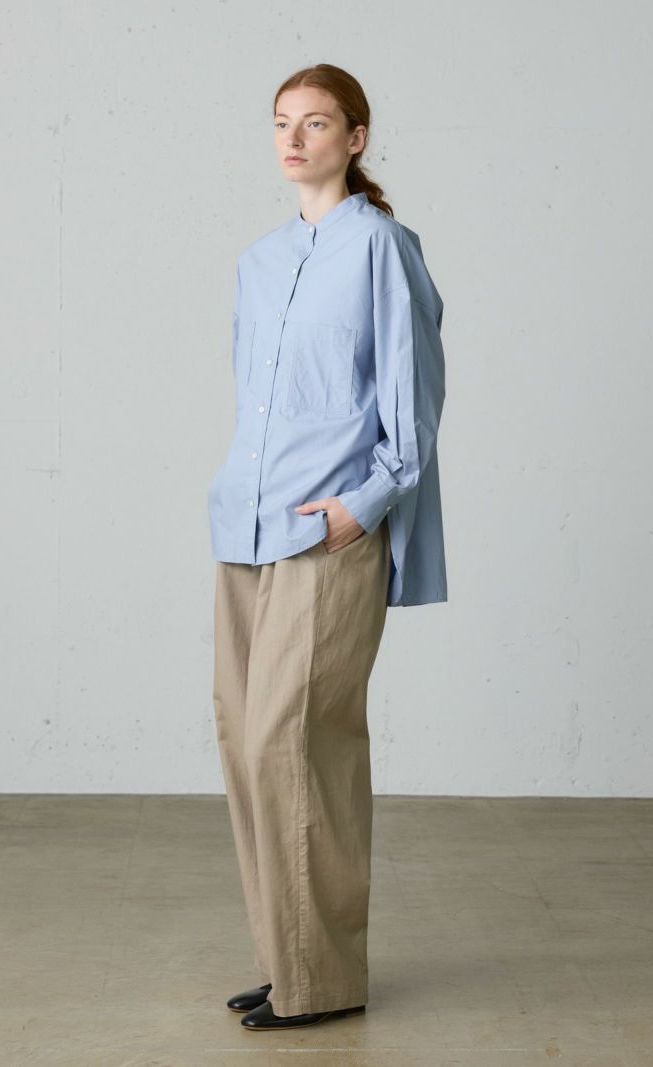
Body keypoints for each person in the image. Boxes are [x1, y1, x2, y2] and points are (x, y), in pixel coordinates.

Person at [208, 63, 448, 1032]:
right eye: (281, 123)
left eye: (315, 123)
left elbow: (414, 399)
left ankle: (321, 978)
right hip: (244, 527)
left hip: (325, 532)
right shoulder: (259, 262)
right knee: (245, 741)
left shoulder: (382, 248)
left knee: (296, 740)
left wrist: (362, 506)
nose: (294, 138)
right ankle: (285, 960)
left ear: (355, 137)